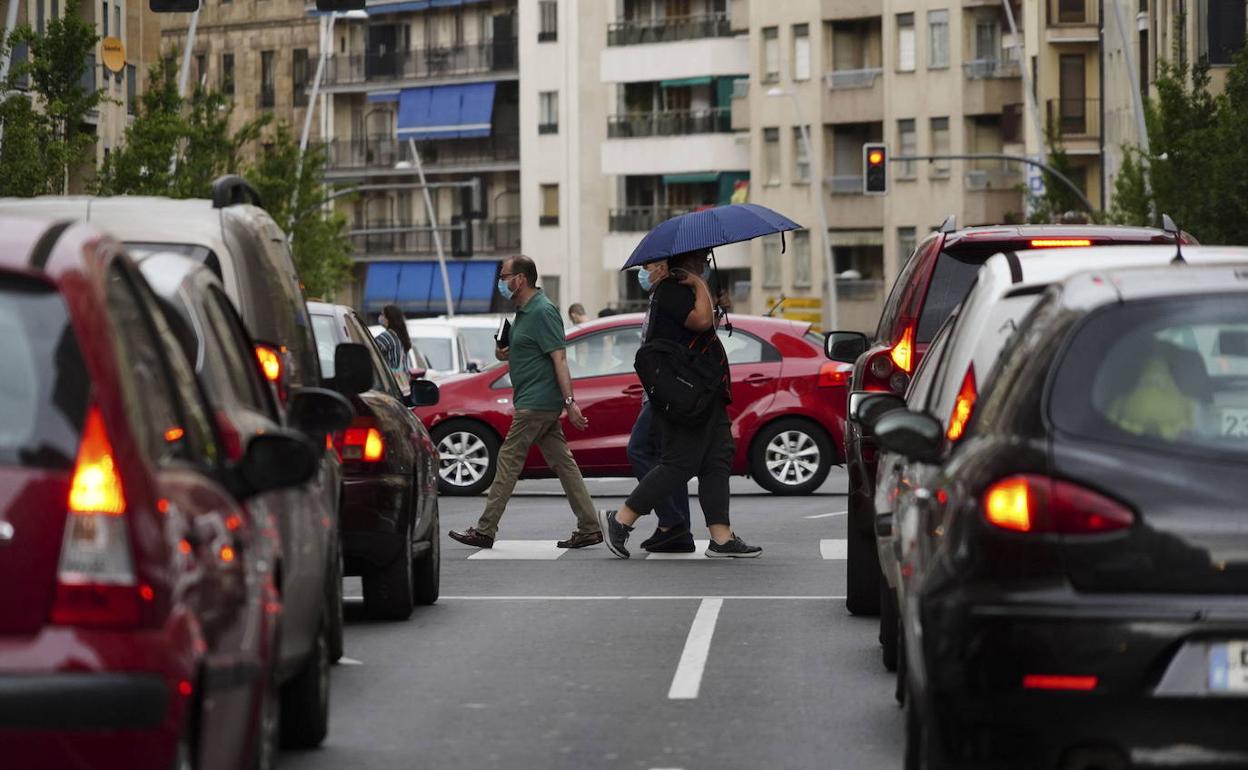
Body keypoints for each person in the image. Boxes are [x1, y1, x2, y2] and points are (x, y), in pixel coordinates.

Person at [598, 250, 762, 559]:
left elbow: (699, 324)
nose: (705, 263)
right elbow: (699, 323)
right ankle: (621, 520)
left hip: (704, 390)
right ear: (686, 260)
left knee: (718, 457)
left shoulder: (683, 289)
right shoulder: (673, 288)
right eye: (701, 259)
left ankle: (721, 537)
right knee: (679, 462)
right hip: (685, 394)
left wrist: (714, 304)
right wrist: (701, 286)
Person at [449, 256, 603, 550]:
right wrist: (503, 351)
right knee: (564, 464)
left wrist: (570, 402)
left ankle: (485, 529)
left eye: (505, 276)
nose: (501, 283)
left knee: (508, 461)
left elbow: (559, 357)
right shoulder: (523, 311)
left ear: (520, 279)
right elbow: (522, 352)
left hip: (536, 403)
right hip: (535, 401)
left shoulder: (543, 311)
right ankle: (589, 527)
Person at [375, 304, 412, 401]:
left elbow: (370, 351)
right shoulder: (401, 337)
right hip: (403, 388)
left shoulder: (387, 336)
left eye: (383, 314)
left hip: (389, 387)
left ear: (389, 318)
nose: (380, 317)